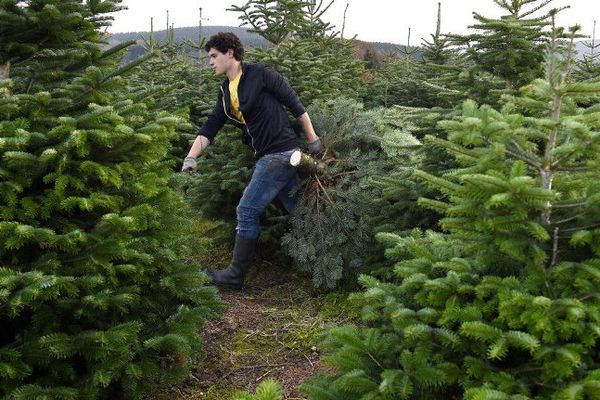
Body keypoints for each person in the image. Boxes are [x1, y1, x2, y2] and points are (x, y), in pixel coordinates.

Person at [181, 32, 323, 290]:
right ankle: (327, 260)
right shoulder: (225, 92)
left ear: (230, 53)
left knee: (247, 210)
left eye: (214, 56)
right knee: (299, 212)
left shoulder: (260, 74)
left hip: (279, 154)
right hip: (272, 156)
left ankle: (235, 276)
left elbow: (295, 105)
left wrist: (313, 140)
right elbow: (210, 127)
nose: (210, 62)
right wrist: (191, 156)